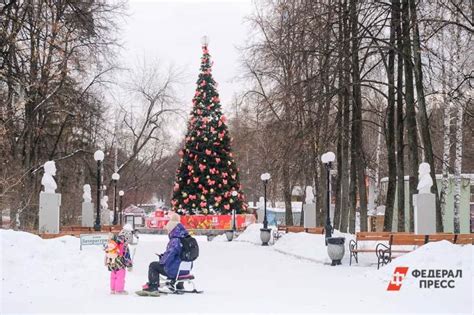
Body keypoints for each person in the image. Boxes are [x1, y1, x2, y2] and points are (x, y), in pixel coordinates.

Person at [142, 212, 189, 292]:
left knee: (153, 265)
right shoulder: (186, 239)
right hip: (185, 270)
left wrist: (162, 260)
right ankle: (179, 285)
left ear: (172, 229)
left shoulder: (175, 240)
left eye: (168, 230)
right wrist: (163, 256)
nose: (168, 232)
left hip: (175, 270)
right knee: (176, 262)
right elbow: (178, 255)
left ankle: (153, 286)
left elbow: (170, 254)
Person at [104, 226, 133, 294]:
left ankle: (113, 289)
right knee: (120, 276)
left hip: (112, 262)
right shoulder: (124, 244)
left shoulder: (112, 242)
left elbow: (107, 251)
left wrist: (106, 261)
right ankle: (119, 290)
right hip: (120, 263)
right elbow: (126, 256)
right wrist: (129, 265)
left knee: (113, 276)